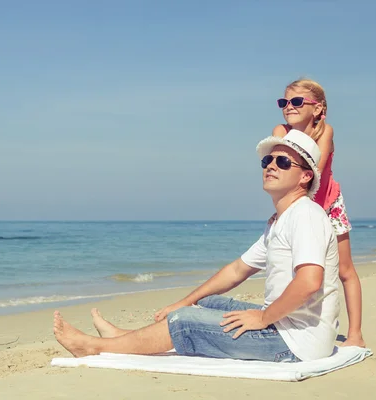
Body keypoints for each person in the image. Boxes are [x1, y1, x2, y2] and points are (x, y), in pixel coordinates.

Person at [54, 130, 340, 362]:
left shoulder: (305, 216)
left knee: (184, 322)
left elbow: (309, 282)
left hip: (296, 344)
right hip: (285, 327)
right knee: (203, 304)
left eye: (284, 162)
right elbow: (238, 269)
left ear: (305, 176)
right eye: (268, 161)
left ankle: (94, 347)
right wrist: (185, 300)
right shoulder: (281, 220)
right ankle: (121, 337)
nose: (271, 166)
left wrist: (264, 317)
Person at [272, 78, 365, 348]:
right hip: (297, 205)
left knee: (345, 270)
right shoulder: (281, 130)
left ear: (317, 109)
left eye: (297, 101)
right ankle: (288, 321)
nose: (288, 106)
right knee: (295, 267)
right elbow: (282, 174)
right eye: (284, 102)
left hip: (328, 203)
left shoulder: (325, 131)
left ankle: (356, 333)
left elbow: (315, 169)